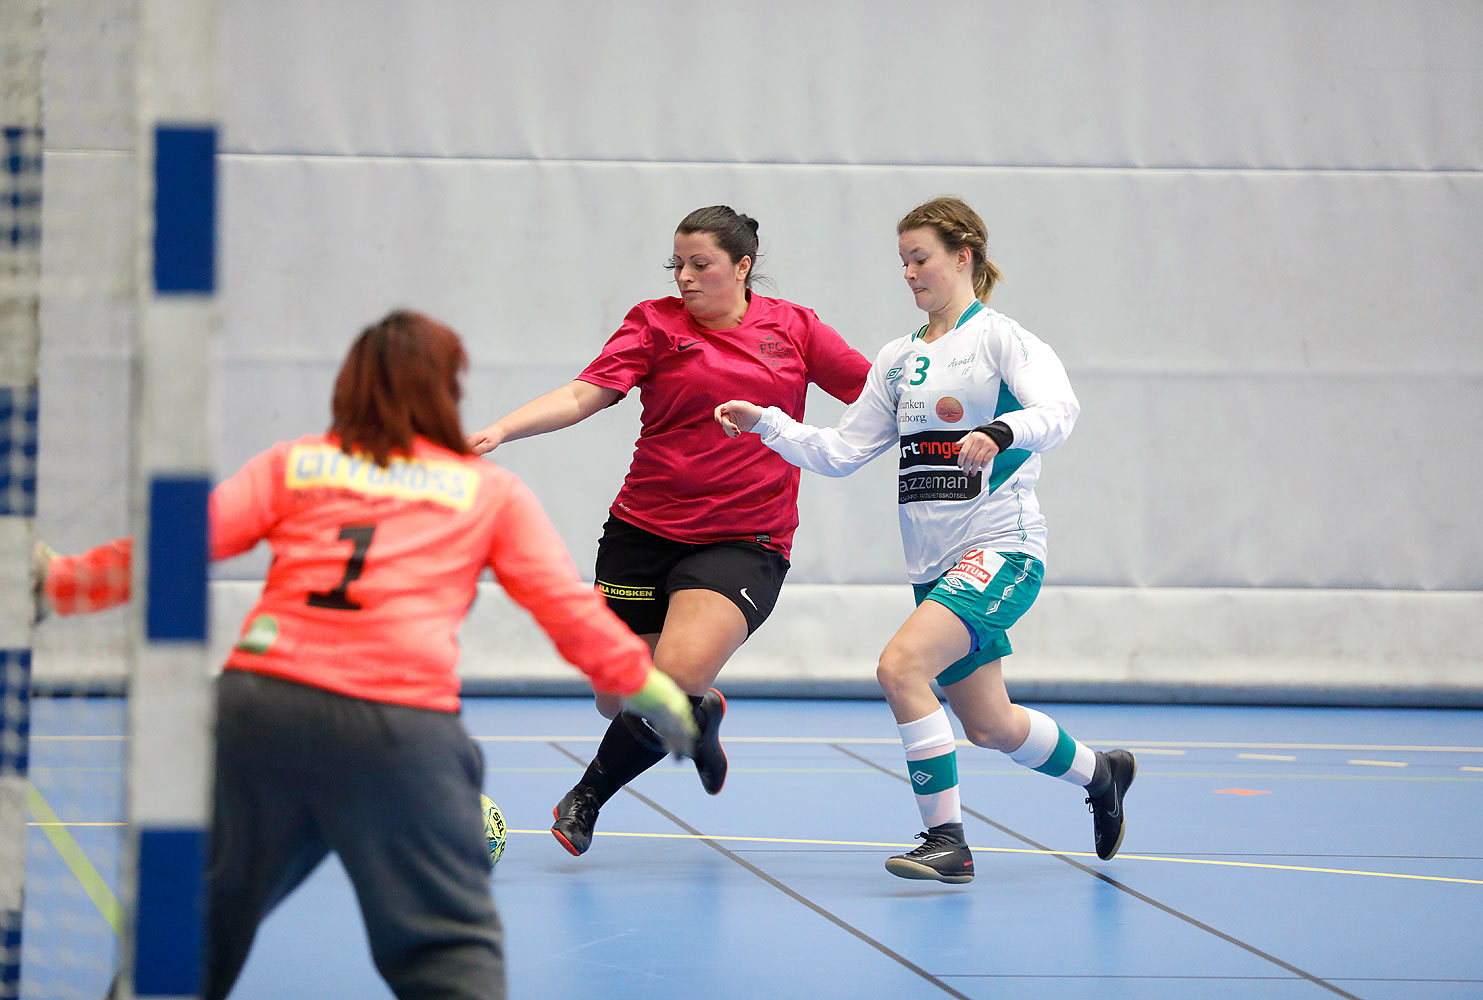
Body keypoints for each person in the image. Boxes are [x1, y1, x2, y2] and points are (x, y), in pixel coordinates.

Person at [34, 310, 699, 999]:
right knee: (447, 952)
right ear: (447, 391)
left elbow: (176, 545)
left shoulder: (296, 464)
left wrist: (57, 584)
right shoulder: (487, 492)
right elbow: (575, 621)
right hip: (399, 728)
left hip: (257, 711)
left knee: (190, 932)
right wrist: (666, 705)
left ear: (348, 387)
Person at [714, 196, 1135, 884]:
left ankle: (948, 842)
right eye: (902, 261)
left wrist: (1000, 432)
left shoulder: (1000, 339)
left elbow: (1059, 411)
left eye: (921, 258)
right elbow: (842, 451)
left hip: (1001, 546)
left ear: (962, 256)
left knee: (900, 667)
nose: (909, 273)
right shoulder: (898, 359)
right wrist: (768, 423)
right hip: (934, 564)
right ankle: (1102, 774)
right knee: (991, 725)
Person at [466, 206, 869, 855]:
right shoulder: (652, 323)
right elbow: (583, 393)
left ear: (741, 268)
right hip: (642, 530)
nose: (684, 277)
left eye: (700, 264)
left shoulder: (795, 329)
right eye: (676, 264)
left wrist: (958, 418)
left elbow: (874, 394)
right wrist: (501, 429)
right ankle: (702, 713)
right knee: (615, 698)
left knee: (669, 678)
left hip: (745, 537)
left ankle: (587, 797)